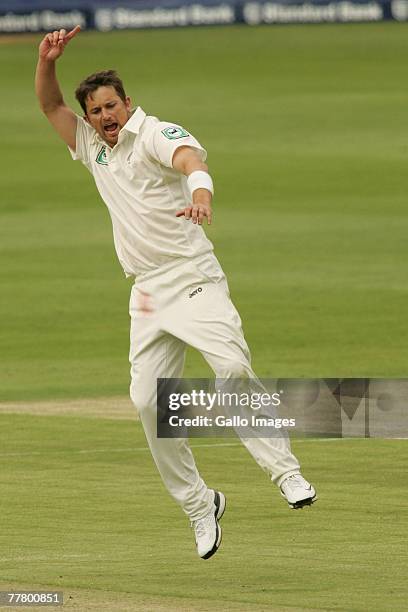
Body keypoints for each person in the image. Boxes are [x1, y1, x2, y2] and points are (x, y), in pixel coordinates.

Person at [35, 26, 317, 560]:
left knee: (230, 367)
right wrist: (46, 59)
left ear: (127, 103)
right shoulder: (93, 146)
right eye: (95, 111)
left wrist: (202, 198)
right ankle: (199, 504)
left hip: (191, 275)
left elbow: (191, 160)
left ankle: (287, 474)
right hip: (145, 292)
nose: (106, 117)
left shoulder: (155, 133)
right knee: (148, 403)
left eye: (112, 106)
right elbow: (48, 103)